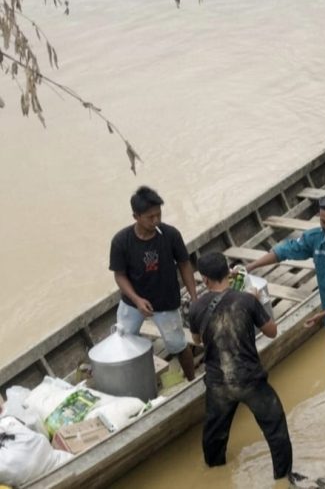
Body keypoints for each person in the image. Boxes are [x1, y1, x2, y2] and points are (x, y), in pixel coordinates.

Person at [245, 196, 325, 417]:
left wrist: (322, 315)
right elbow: (285, 251)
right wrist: (250, 266)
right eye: (323, 222)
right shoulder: (315, 238)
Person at [188, 252, 294, 480]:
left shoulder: (196, 307)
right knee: (275, 429)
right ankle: (283, 478)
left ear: (204, 279)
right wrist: (257, 299)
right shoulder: (247, 300)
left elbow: (196, 341)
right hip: (249, 379)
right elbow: (272, 331)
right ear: (229, 273)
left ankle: (216, 476)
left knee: (214, 436)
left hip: (218, 383)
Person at [109, 185, 197, 381]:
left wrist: (194, 296)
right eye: (150, 217)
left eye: (159, 214)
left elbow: (184, 263)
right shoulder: (121, 241)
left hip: (166, 302)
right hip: (133, 303)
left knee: (178, 345)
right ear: (136, 217)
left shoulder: (171, 235)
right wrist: (137, 300)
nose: (156, 220)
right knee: (124, 342)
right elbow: (120, 276)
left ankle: (192, 380)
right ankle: (130, 382)